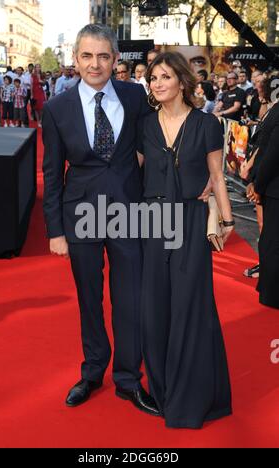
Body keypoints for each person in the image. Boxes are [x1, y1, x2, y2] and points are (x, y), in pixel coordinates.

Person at [42, 24, 159, 416]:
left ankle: (128, 378)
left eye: (104, 56)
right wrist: (56, 230)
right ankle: (93, 371)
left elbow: (153, 150)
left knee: (130, 300)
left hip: (129, 213)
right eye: (87, 56)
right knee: (90, 299)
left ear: (115, 60)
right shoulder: (56, 108)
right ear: (75, 59)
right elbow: (52, 172)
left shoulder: (134, 95)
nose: (95, 64)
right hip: (80, 217)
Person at [139, 52, 233, 429]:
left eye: (164, 76)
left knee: (190, 306)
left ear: (181, 80)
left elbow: (218, 175)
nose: (157, 83)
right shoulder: (145, 124)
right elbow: (134, 172)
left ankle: (190, 395)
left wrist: (226, 220)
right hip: (151, 223)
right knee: (156, 307)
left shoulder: (207, 124)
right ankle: (162, 389)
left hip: (191, 223)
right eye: (153, 78)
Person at [247, 97, 279, 309]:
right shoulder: (275, 108)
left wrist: (258, 185)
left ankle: (272, 293)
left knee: (271, 242)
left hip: (275, 187)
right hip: (272, 185)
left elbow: (273, 154)